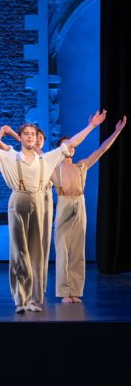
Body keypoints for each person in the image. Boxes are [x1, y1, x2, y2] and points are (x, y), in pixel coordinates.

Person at [0, 111, 104, 313]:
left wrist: (92, 126)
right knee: (19, 252)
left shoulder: (46, 158)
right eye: (27, 134)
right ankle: (20, 299)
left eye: (33, 134)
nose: (30, 136)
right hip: (18, 200)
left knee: (37, 253)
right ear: (20, 137)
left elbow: (71, 144)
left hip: (38, 201)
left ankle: (33, 298)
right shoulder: (11, 157)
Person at [51, 115, 125, 303]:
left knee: (78, 250)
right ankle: (63, 292)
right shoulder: (53, 166)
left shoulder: (81, 165)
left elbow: (102, 149)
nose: (71, 148)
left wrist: (117, 131)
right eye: (67, 145)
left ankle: (75, 291)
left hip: (79, 203)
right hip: (64, 203)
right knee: (62, 250)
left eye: (72, 145)